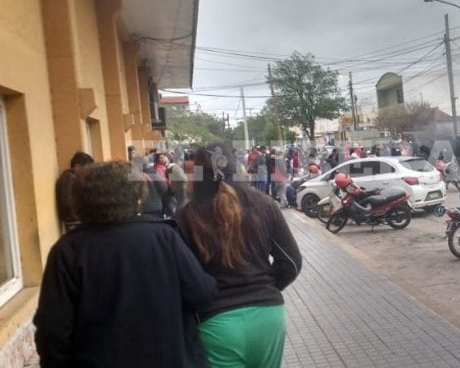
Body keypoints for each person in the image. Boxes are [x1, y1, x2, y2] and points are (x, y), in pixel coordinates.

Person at [34, 161, 217, 367]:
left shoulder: (67, 250)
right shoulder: (164, 237)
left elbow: (52, 330)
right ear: (137, 197)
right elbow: (202, 293)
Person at [174, 145, 302, 368]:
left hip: (217, 324)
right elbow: (291, 263)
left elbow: (182, 278)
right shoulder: (264, 204)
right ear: (235, 166)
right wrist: (263, 288)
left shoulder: (185, 216)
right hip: (268, 316)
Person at [55, 151, 94, 229]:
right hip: (74, 222)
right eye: (86, 168)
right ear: (77, 166)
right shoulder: (69, 178)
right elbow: (67, 202)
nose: (88, 171)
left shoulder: (72, 178)